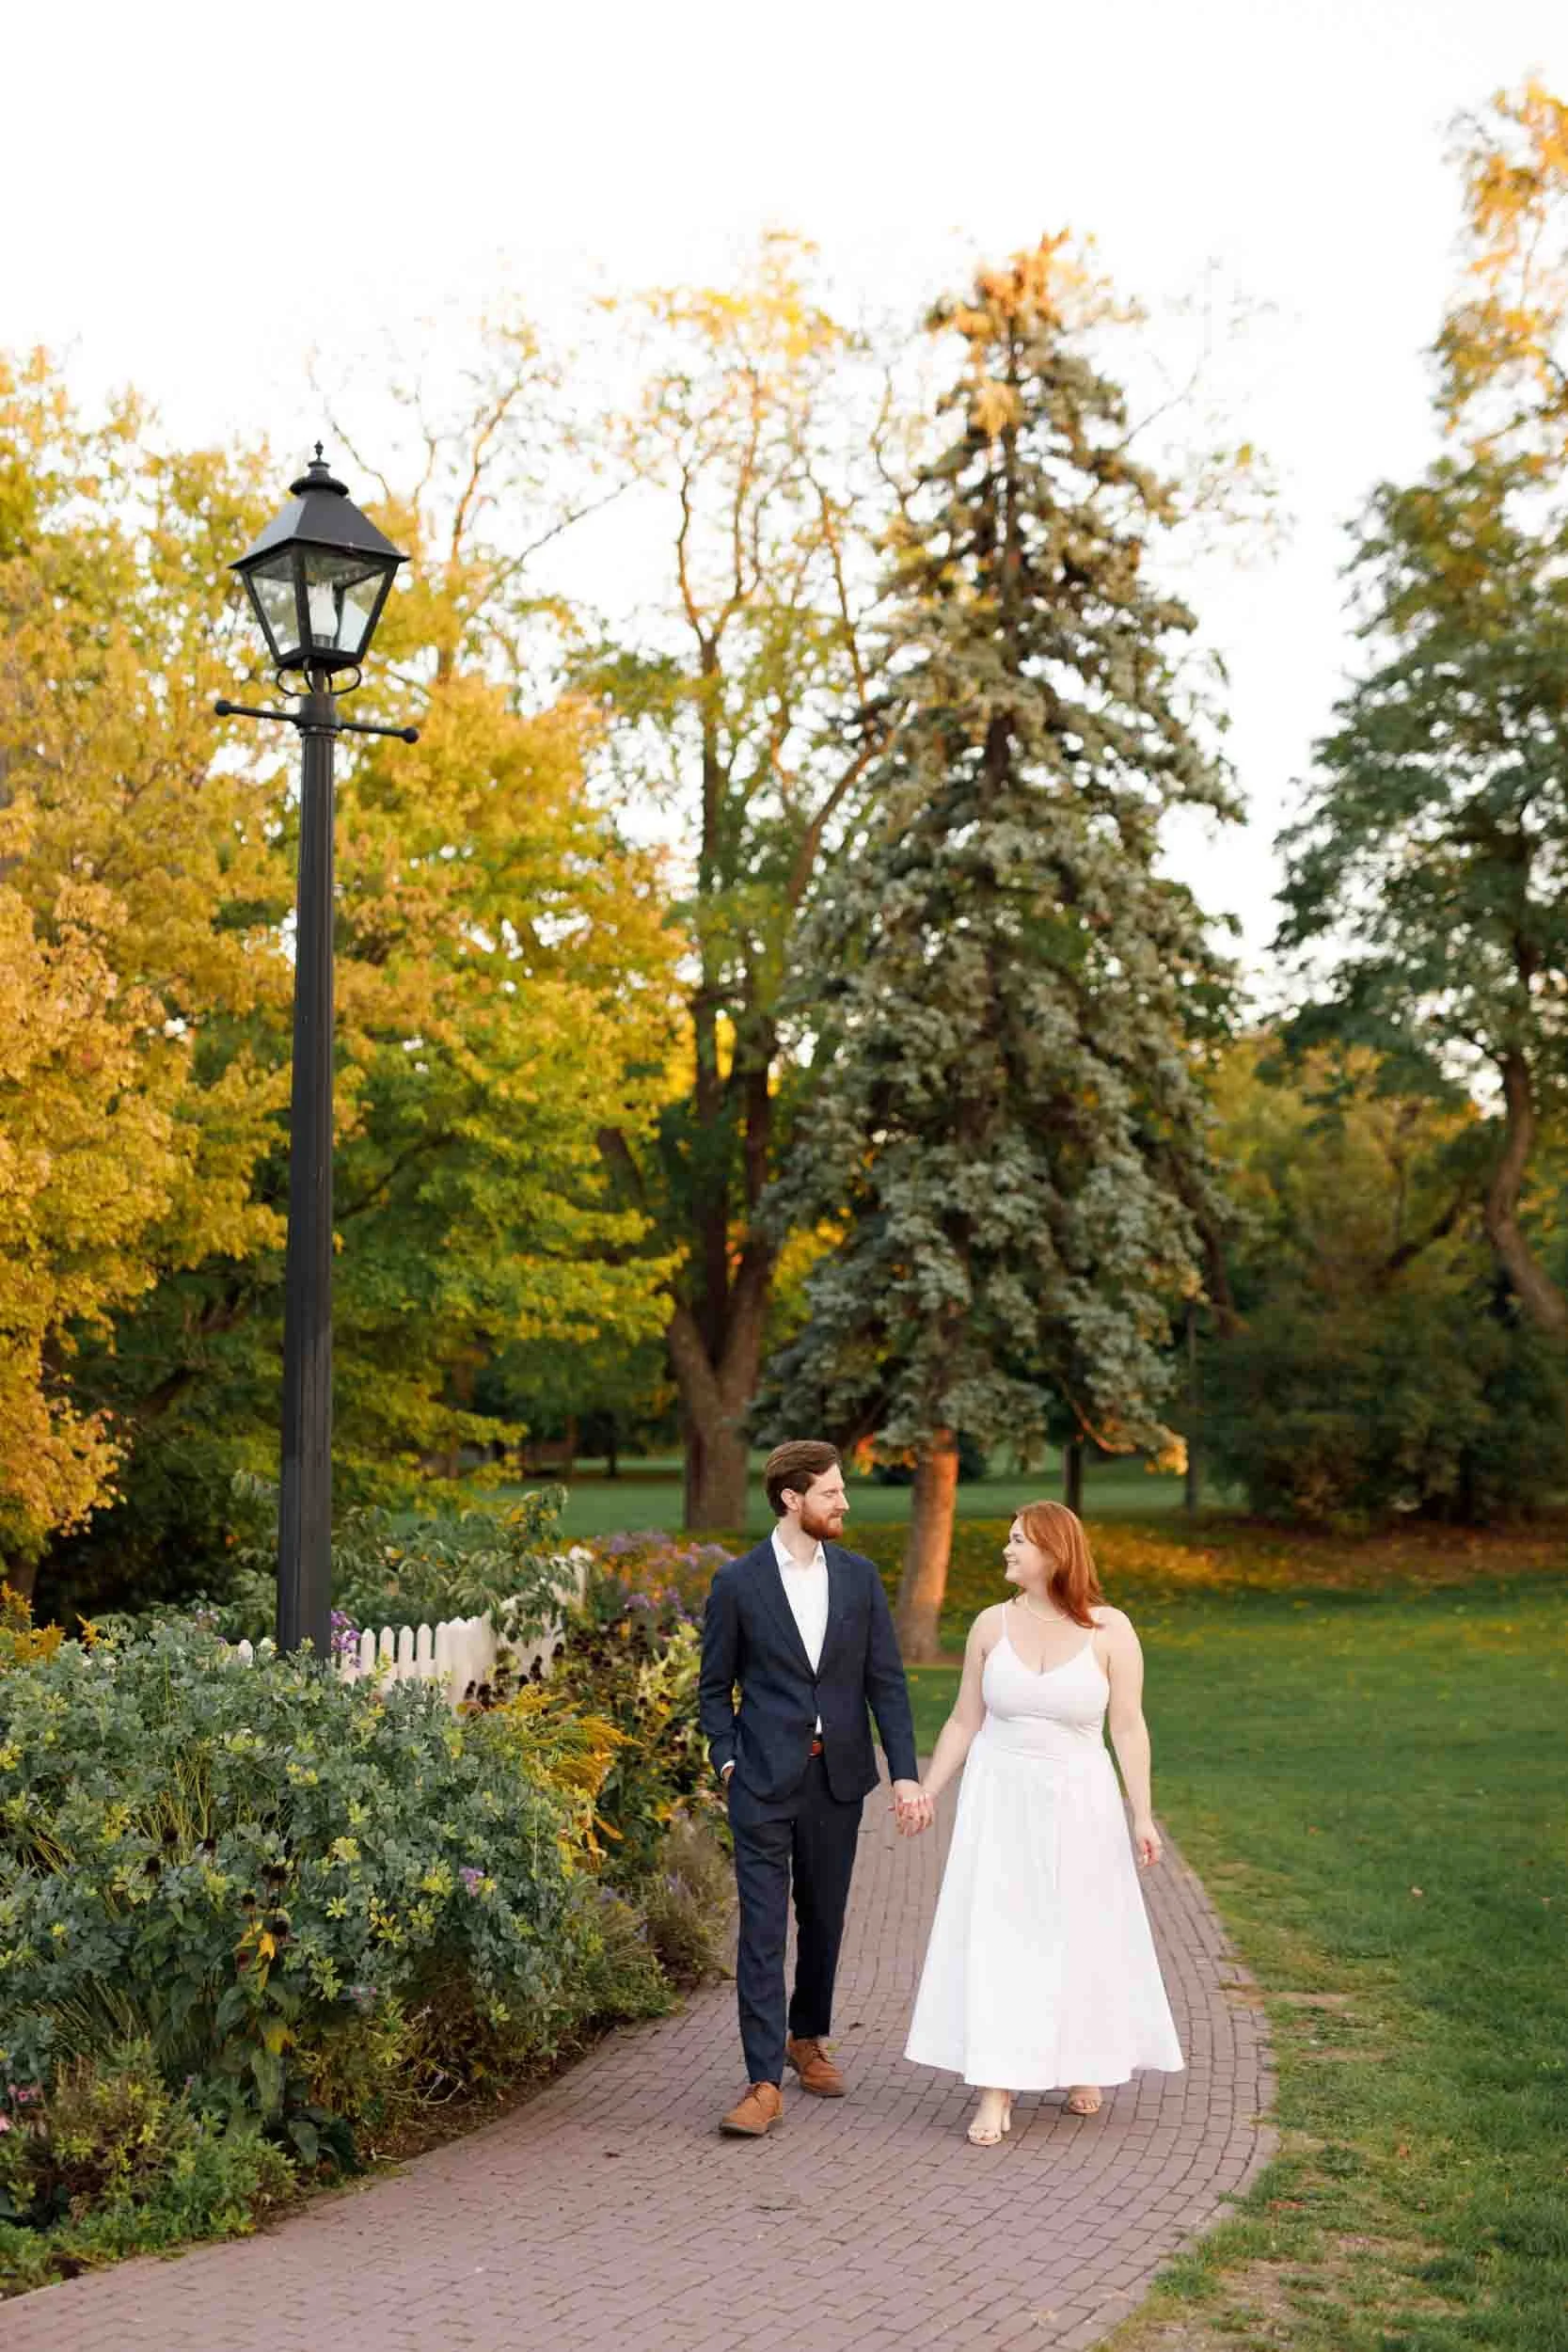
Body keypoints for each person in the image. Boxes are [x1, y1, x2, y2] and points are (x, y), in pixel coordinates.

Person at [902, 1500, 1182, 2144]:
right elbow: (963, 1721)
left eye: (1018, 1541)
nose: (1006, 1550)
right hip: (998, 1801)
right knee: (1002, 1936)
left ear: (1055, 1554)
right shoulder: (988, 1626)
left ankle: (1084, 2061)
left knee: (1079, 1934)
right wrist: (930, 1790)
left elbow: (1128, 1728)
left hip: (1080, 1801)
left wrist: (1141, 1814)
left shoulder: (1110, 1630)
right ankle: (995, 2090)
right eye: (1009, 1539)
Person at [699, 1439, 930, 2137]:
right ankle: (762, 2081)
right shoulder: (737, 1584)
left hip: (837, 1779)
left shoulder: (859, 1578)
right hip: (762, 1781)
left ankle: (807, 2038)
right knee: (762, 1932)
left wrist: (905, 1771)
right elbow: (714, 1688)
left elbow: (883, 1682)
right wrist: (726, 1761)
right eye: (831, 1493)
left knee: (823, 1919)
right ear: (792, 1499)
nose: (844, 1503)